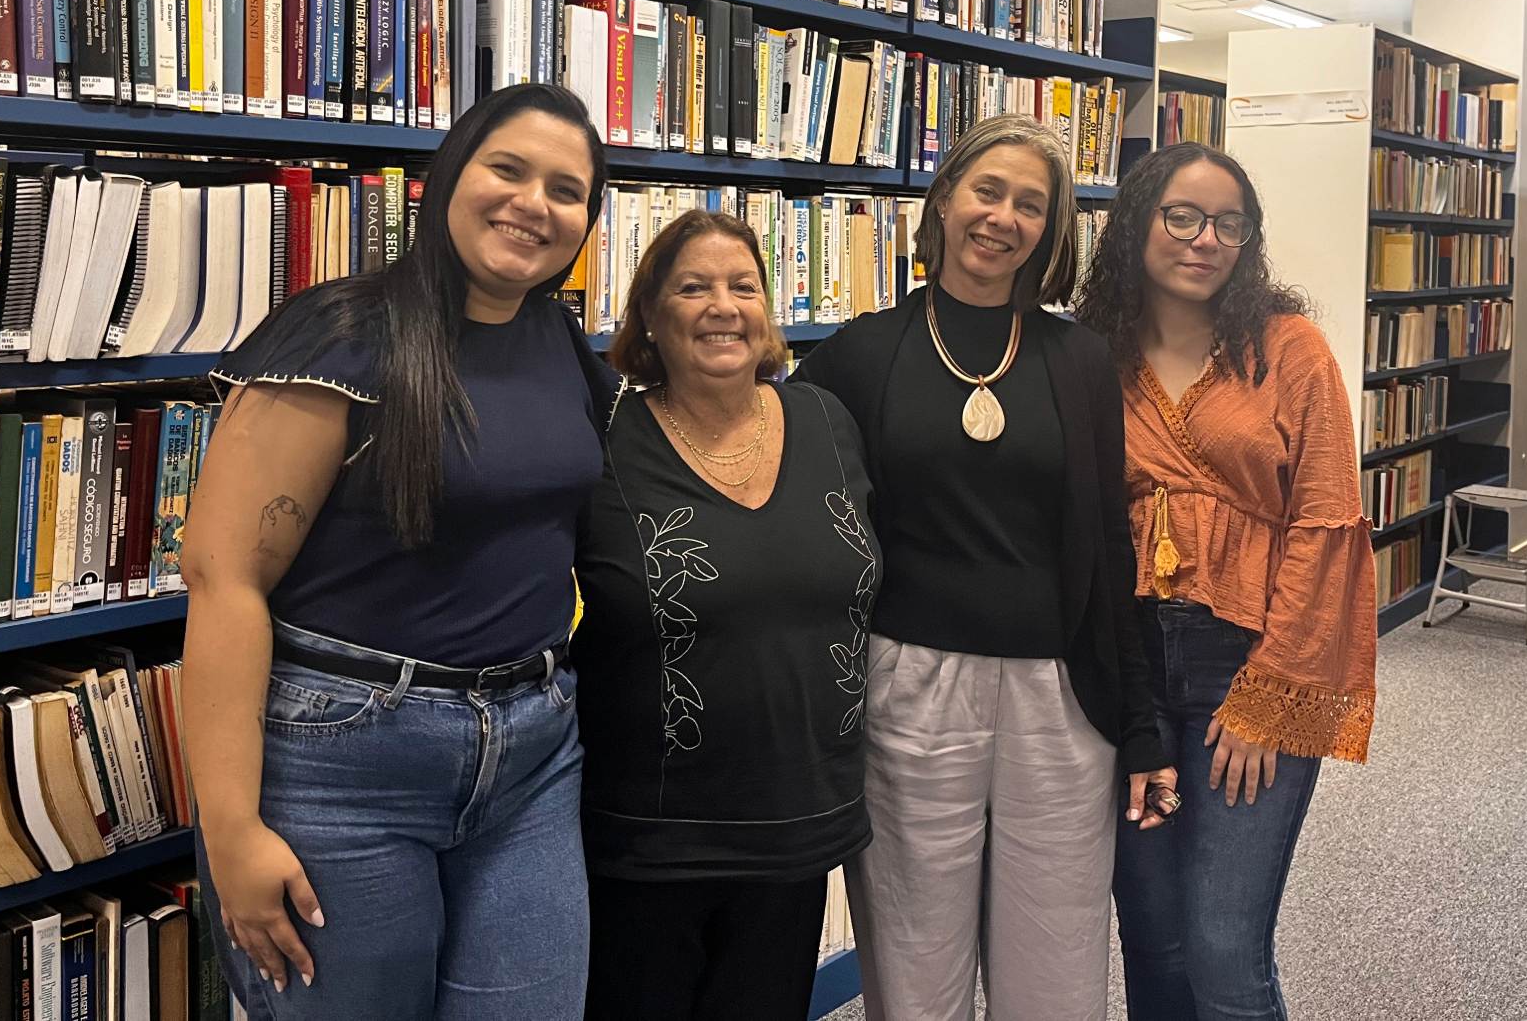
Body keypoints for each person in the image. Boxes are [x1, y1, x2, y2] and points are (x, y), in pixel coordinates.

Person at [182, 82, 618, 1021]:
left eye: (566, 190)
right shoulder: (342, 333)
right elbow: (224, 580)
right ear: (450, 175)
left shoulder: (561, 341)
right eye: (508, 170)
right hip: (346, 761)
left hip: (533, 755)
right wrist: (231, 829)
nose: (533, 204)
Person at [790, 113, 1175, 1021]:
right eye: (987, 191)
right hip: (910, 689)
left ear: (1052, 229)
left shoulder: (1079, 361)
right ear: (944, 200)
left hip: (1061, 697)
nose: (1004, 218)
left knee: (1057, 963)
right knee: (913, 959)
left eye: (1031, 205)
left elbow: (1109, 546)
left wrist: (1142, 724)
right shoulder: (860, 354)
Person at [1076, 140, 1377, 1021]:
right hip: (1129, 673)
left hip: (1247, 663)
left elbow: (1325, 526)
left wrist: (1267, 695)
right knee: (1152, 939)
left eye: (1229, 223)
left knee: (1223, 950)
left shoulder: (1289, 350)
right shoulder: (1093, 356)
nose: (1206, 239)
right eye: (1183, 216)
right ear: (1137, 224)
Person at [574, 209, 880, 1021]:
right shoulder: (603, 437)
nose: (723, 307)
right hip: (648, 837)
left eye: (744, 287)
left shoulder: (825, 419)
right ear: (649, 315)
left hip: (798, 820)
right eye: (693, 288)